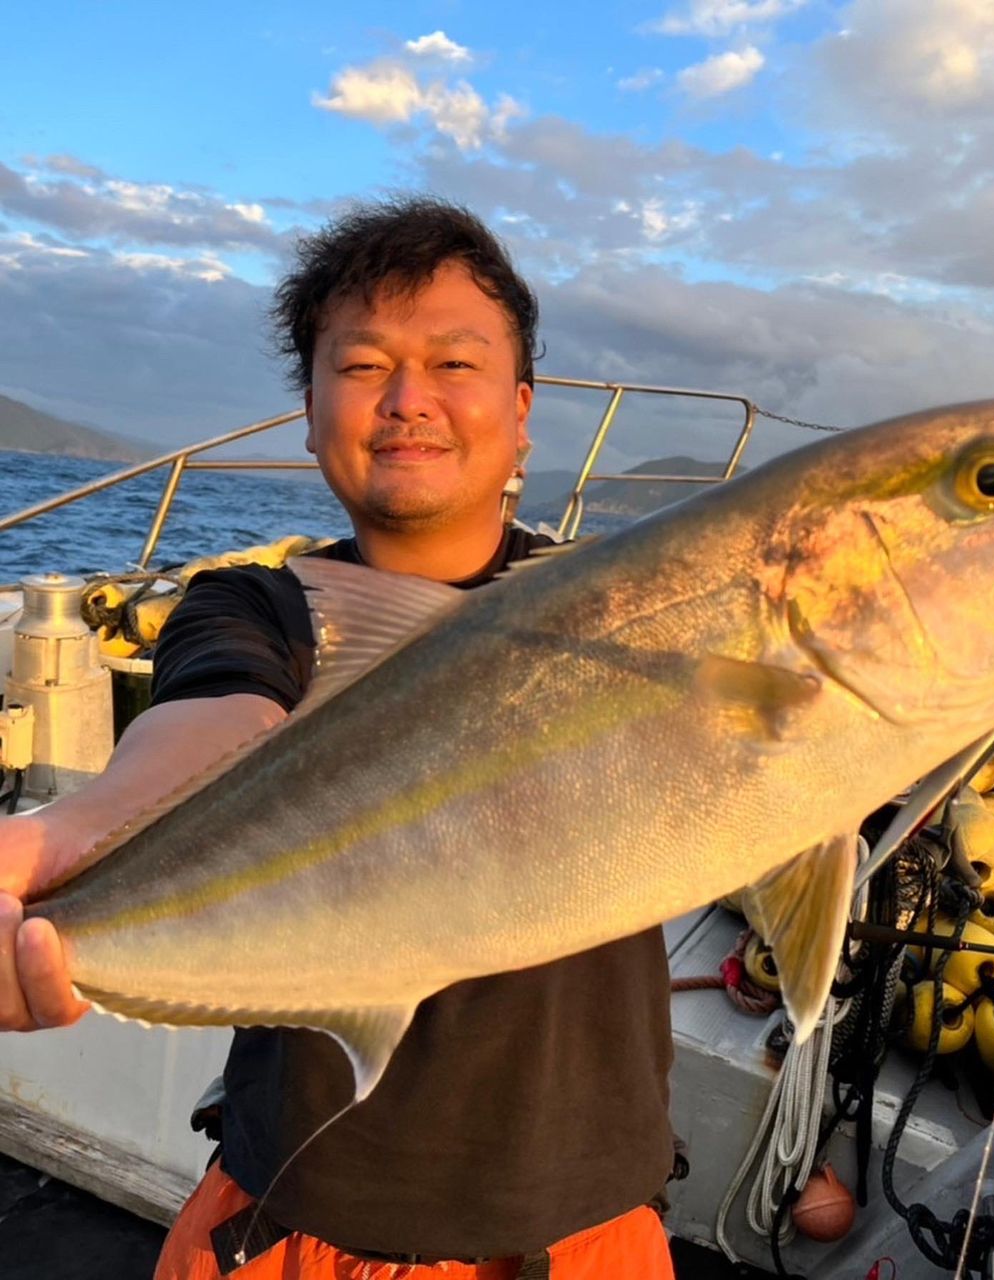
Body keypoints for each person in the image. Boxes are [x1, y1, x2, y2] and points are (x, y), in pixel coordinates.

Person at [0, 198, 677, 1279]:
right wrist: (67, 838)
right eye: (363, 366)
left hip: (583, 1230)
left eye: (454, 361)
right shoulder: (257, 605)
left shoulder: (617, 619)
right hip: (290, 1228)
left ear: (520, 407)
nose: (409, 399)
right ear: (310, 413)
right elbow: (215, 718)